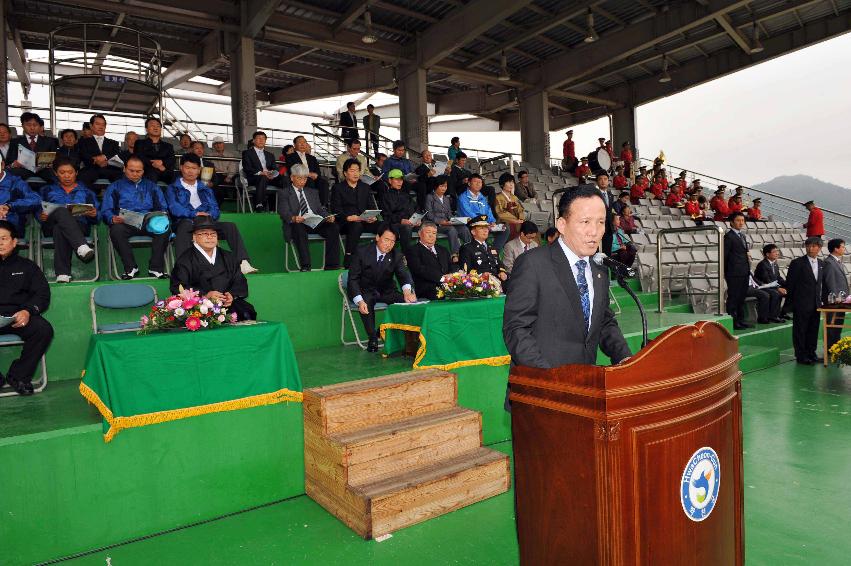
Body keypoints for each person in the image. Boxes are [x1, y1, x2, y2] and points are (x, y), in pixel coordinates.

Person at [503, 185, 631, 375]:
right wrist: (549, 378)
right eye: (585, 221)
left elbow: (603, 322)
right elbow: (517, 329)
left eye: (601, 222)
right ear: (562, 225)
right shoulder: (533, 263)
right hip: (543, 390)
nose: (594, 231)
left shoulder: (599, 269)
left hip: (585, 386)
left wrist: (625, 359)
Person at [166, 153, 257, 274]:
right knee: (185, 226)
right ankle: (184, 269)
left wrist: (208, 215)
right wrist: (195, 214)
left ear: (199, 170)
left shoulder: (206, 189)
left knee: (230, 227)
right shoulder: (172, 188)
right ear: (181, 167)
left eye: (194, 168)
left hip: (206, 222)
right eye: (187, 167)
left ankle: (243, 262)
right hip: (185, 222)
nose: (190, 171)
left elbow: (215, 209)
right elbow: (174, 208)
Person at [0, 220, 53, 396]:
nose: (0, 242)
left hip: (18, 316)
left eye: (4, 238)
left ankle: (19, 376)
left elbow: (42, 294)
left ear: (14, 242)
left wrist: (27, 311)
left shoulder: (27, 266)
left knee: (43, 329)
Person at [170, 216, 256, 322]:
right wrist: (205, 295)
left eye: (213, 234)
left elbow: (239, 280)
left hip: (226, 304)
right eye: (204, 233)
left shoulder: (228, 256)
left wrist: (232, 295)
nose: (210, 237)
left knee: (246, 312)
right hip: (200, 305)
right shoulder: (185, 260)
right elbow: (178, 286)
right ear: (194, 237)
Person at [347, 223, 417, 352]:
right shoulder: (362, 252)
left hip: (386, 290)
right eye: (386, 239)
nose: (389, 244)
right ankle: (372, 338)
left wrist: (407, 292)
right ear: (378, 237)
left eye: (393, 241)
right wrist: (359, 300)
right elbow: (353, 279)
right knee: (366, 302)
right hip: (364, 290)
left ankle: (381, 329)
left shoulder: (396, 255)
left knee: (408, 302)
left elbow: (403, 275)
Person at [101, 156, 170, 280]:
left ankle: (156, 268)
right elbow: (106, 209)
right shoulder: (115, 187)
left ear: (143, 171)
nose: (135, 174)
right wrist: (112, 218)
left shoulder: (152, 186)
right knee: (116, 230)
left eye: (138, 171)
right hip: (125, 223)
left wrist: (160, 215)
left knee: (164, 229)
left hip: (148, 223)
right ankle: (131, 267)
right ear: (124, 169)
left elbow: (162, 207)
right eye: (131, 170)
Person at [39, 158, 98, 282]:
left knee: (60, 229)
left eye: (70, 172)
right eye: (62, 172)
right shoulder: (47, 190)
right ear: (55, 173)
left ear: (76, 172)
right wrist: (40, 215)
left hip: (79, 226)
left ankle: (63, 274)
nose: (66, 176)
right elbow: (37, 208)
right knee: (61, 211)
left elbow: (98, 214)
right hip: (50, 224)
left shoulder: (87, 192)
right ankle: (82, 246)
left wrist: (94, 214)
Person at [278, 163, 341, 272]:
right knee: (298, 228)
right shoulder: (284, 193)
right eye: (299, 178)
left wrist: (327, 216)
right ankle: (306, 265)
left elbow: (320, 210)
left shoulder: (312, 192)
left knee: (333, 227)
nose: (303, 181)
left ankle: (332, 265)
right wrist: (294, 218)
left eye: (305, 178)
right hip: (298, 223)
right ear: (292, 178)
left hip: (314, 222)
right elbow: (284, 212)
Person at [331, 158, 377, 267]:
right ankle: (349, 258)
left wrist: (373, 216)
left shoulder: (365, 187)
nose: (356, 173)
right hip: (347, 223)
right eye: (352, 170)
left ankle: (382, 258)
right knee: (356, 225)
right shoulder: (337, 188)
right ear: (345, 173)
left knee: (386, 226)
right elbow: (336, 210)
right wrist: (348, 218)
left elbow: (372, 207)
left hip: (364, 221)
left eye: (357, 170)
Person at [785, 237, 825, 364]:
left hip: (816, 303)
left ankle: (811, 353)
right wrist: (793, 303)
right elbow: (790, 284)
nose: (810, 248)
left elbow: (820, 284)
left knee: (813, 329)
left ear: (819, 248)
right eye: (808, 246)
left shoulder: (821, 264)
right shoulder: (797, 263)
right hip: (801, 303)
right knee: (800, 330)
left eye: (813, 246)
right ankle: (801, 356)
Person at [424, 175, 469, 260]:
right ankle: (455, 254)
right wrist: (441, 222)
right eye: (441, 186)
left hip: (447, 223)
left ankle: (470, 249)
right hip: (436, 225)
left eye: (445, 186)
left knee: (464, 228)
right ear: (436, 186)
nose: (444, 188)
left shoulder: (446, 199)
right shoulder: (430, 197)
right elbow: (429, 215)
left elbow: (449, 214)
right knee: (451, 229)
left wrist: (455, 220)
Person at [8, 112, 59, 184]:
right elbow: (9, 160)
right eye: (28, 125)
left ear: (39, 126)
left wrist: (52, 163)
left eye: (35, 125)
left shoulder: (49, 141)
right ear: (22, 126)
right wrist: (14, 164)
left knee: (55, 176)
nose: (32, 128)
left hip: (44, 170)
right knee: (10, 175)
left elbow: (56, 158)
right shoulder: (15, 142)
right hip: (22, 169)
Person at [405, 221, 451, 300]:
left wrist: (451, 275)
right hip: (427, 288)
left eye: (434, 233)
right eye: (428, 232)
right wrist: (441, 278)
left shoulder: (443, 249)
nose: (431, 235)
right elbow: (419, 269)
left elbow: (452, 265)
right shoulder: (413, 250)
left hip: (448, 283)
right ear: (420, 233)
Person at [77, 114, 123, 187]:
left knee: (123, 177)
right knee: (82, 177)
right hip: (91, 169)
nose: (101, 127)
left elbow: (117, 155)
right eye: (97, 124)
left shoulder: (114, 143)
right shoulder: (83, 142)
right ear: (91, 126)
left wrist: (104, 157)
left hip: (110, 169)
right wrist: (96, 160)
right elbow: (83, 155)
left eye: (103, 125)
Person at [458, 215, 507, 283]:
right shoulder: (467, 248)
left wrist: (502, 272)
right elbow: (466, 271)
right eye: (481, 228)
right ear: (473, 232)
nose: (485, 230)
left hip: (497, 280)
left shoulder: (491, 247)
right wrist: (481, 275)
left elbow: (499, 263)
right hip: (480, 283)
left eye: (486, 227)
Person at [724, 212, 752, 329]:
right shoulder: (729, 237)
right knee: (733, 298)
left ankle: (741, 320)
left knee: (741, 297)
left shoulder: (742, 236)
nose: (741, 222)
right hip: (734, 273)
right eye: (738, 220)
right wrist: (726, 273)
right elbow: (725, 256)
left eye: (742, 220)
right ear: (731, 222)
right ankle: (733, 322)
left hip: (744, 271)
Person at [285, 135, 330, 206]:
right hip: (299, 178)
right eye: (300, 142)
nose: (302, 144)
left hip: (313, 179)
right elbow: (292, 170)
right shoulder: (290, 157)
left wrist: (316, 175)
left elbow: (318, 172)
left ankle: (322, 206)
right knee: (309, 181)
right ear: (294, 145)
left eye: (304, 142)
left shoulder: (312, 158)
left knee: (323, 183)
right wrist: (307, 174)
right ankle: (311, 206)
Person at [381, 169, 418, 252]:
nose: (400, 182)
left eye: (401, 180)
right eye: (397, 179)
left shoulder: (406, 195)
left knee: (427, 226)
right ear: (390, 180)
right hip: (395, 224)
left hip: (410, 223)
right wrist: (401, 220)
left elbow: (415, 208)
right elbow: (386, 215)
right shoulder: (385, 196)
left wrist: (417, 219)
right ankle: (406, 255)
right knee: (406, 228)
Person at [0, 157, 40, 234]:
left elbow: (35, 199)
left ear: (2, 165)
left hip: (10, 224)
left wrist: (9, 206)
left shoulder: (15, 183)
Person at [823, 238, 849, 351]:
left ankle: (836, 346)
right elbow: (830, 281)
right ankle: (830, 347)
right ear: (835, 248)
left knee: (838, 323)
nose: (844, 249)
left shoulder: (837, 261)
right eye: (842, 246)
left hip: (841, 299)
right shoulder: (829, 262)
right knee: (832, 324)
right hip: (834, 301)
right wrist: (835, 297)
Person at [754, 244, 790, 321]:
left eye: (777, 251)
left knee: (790, 289)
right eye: (774, 252)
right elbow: (767, 280)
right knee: (776, 293)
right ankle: (773, 316)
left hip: (771, 285)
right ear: (767, 254)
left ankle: (782, 313)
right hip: (762, 286)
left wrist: (788, 284)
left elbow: (778, 278)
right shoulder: (762, 265)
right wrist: (778, 288)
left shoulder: (775, 264)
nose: (777, 253)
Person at [135, 117, 175, 184]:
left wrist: (162, 163)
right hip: (147, 171)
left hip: (164, 171)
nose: (155, 127)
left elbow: (171, 159)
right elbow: (139, 158)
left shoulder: (168, 146)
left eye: (158, 126)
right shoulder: (140, 143)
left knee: (177, 177)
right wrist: (155, 164)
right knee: (152, 174)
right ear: (147, 129)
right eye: (152, 125)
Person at [494, 172, 525, 251]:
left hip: (517, 221)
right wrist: (515, 220)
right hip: (504, 222)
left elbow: (521, 209)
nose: (511, 184)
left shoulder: (514, 197)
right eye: (508, 182)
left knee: (529, 227)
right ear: (502, 184)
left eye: (512, 182)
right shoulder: (498, 197)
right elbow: (500, 213)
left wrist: (521, 219)